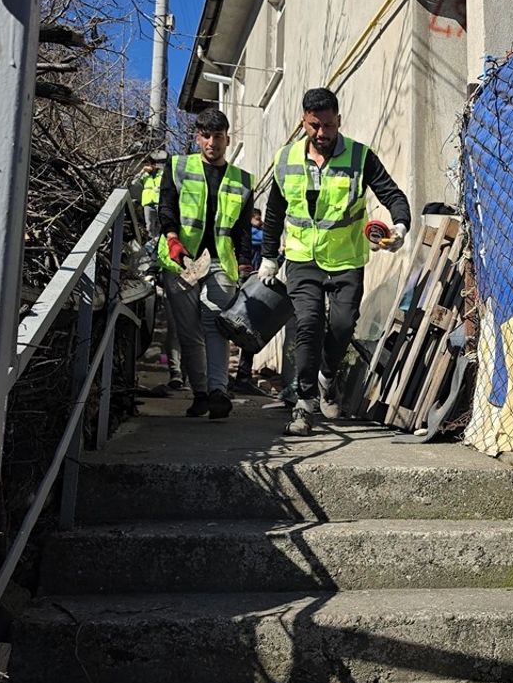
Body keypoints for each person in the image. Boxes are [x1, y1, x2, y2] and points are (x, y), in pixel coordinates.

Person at [259, 87, 411, 436]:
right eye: (315, 126)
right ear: (304, 122)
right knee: (308, 324)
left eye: (328, 125)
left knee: (342, 326)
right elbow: (273, 214)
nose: (322, 134)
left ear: (338, 120)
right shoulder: (286, 160)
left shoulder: (360, 157)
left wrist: (399, 225)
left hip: (345, 260)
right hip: (302, 258)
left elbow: (392, 194)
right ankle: (305, 404)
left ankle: (328, 375)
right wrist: (269, 258)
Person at [156, 107, 256, 419]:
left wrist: (243, 267)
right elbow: (166, 206)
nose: (212, 142)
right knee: (188, 331)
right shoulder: (178, 166)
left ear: (228, 138)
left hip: (219, 263)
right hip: (182, 260)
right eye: (206, 135)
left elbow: (242, 229)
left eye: (218, 136)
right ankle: (200, 393)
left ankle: (217, 392)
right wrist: (172, 238)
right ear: (198, 137)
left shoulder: (242, 180)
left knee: (217, 326)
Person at [139, 150, 185, 392]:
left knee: (194, 327)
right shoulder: (148, 179)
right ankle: (177, 373)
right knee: (176, 326)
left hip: (193, 268)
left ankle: (196, 377)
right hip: (171, 272)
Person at [232, 208, 265, 395]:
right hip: (244, 278)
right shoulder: (251, 232)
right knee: (248, 328)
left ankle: (241, 377)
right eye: (257, 219)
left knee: (247, 328)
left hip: (252, 280)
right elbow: (258, 238)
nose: (259, 221)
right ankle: (242, 377)